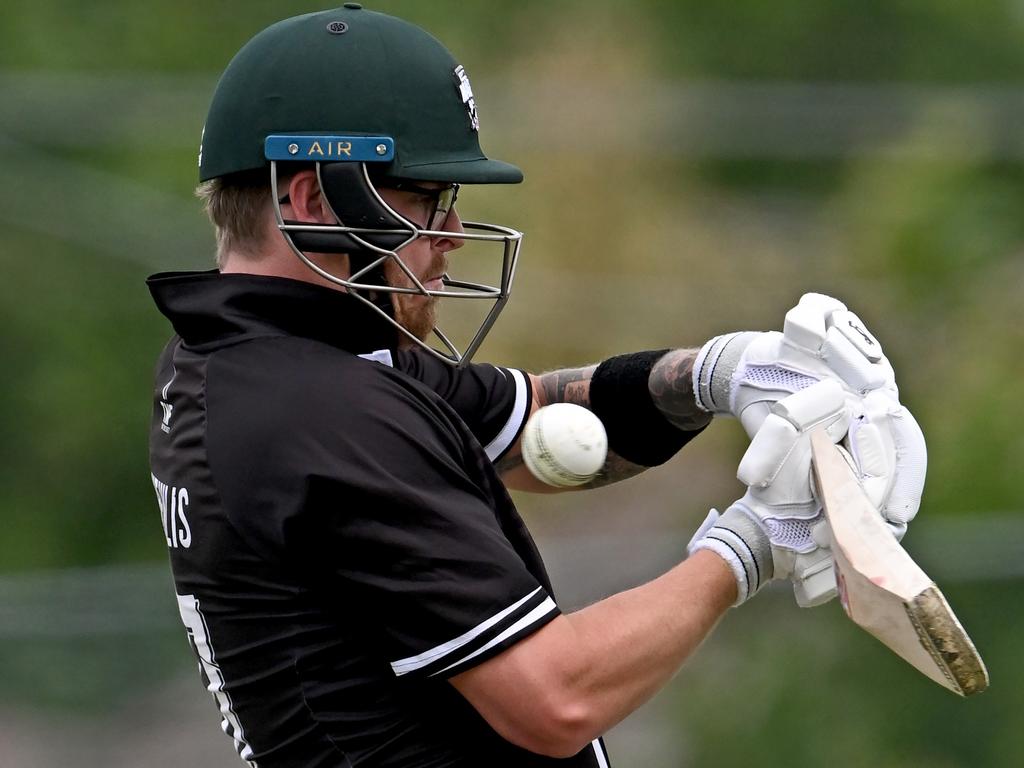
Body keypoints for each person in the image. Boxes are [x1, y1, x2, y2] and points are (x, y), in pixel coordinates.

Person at [147, 7, 926, 767]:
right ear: (315, 200)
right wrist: (755, 543)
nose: (450, 232)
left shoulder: (267, 362)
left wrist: (723, 373)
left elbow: (533, 428)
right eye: (423, 197)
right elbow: (555, 698)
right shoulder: (322, 413)